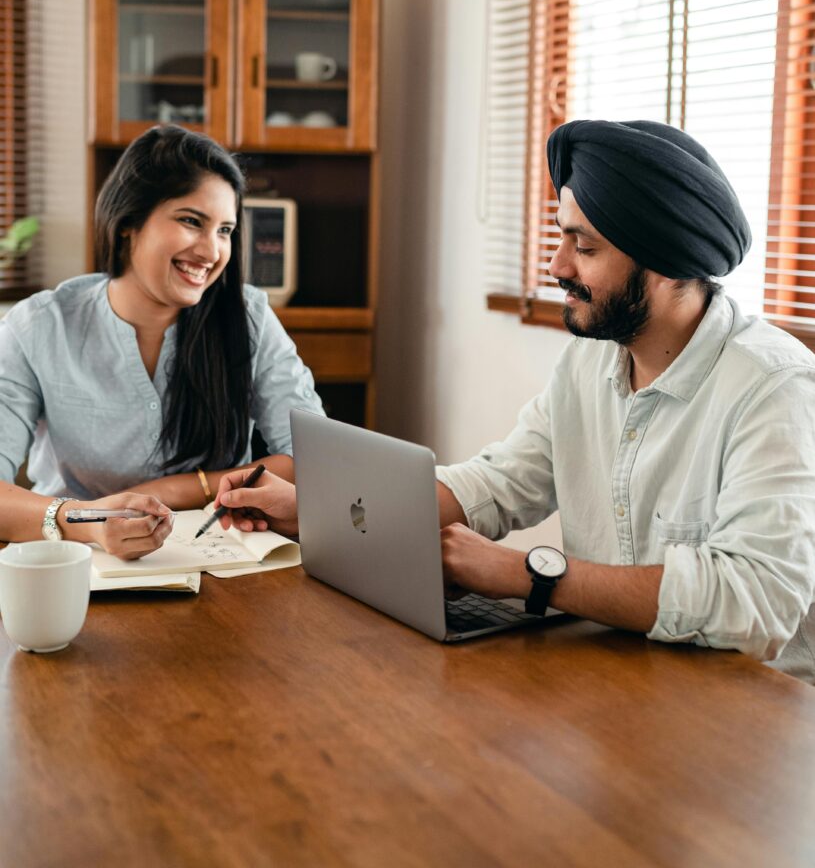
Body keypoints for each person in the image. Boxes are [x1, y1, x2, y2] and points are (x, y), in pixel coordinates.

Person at [215, 120, 815, 685]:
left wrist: (528, 576)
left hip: (752, 714)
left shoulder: (775, 388)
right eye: (561, 237)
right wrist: (318, 508)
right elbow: (500, 483)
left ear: (662, 261)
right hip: (623, 679)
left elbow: (754, 601)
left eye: (584, 247)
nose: (556, 266)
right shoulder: (589, 360)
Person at [0, 125, 323, 556]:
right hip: (74, 563)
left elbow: (314, 459)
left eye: (225, 230)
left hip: (222, 562)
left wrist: (171, 490)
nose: (211, 252)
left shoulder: (249, 317)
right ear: (129, 222)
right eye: (192, 222)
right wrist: (86, 520)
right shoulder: (39, 325)